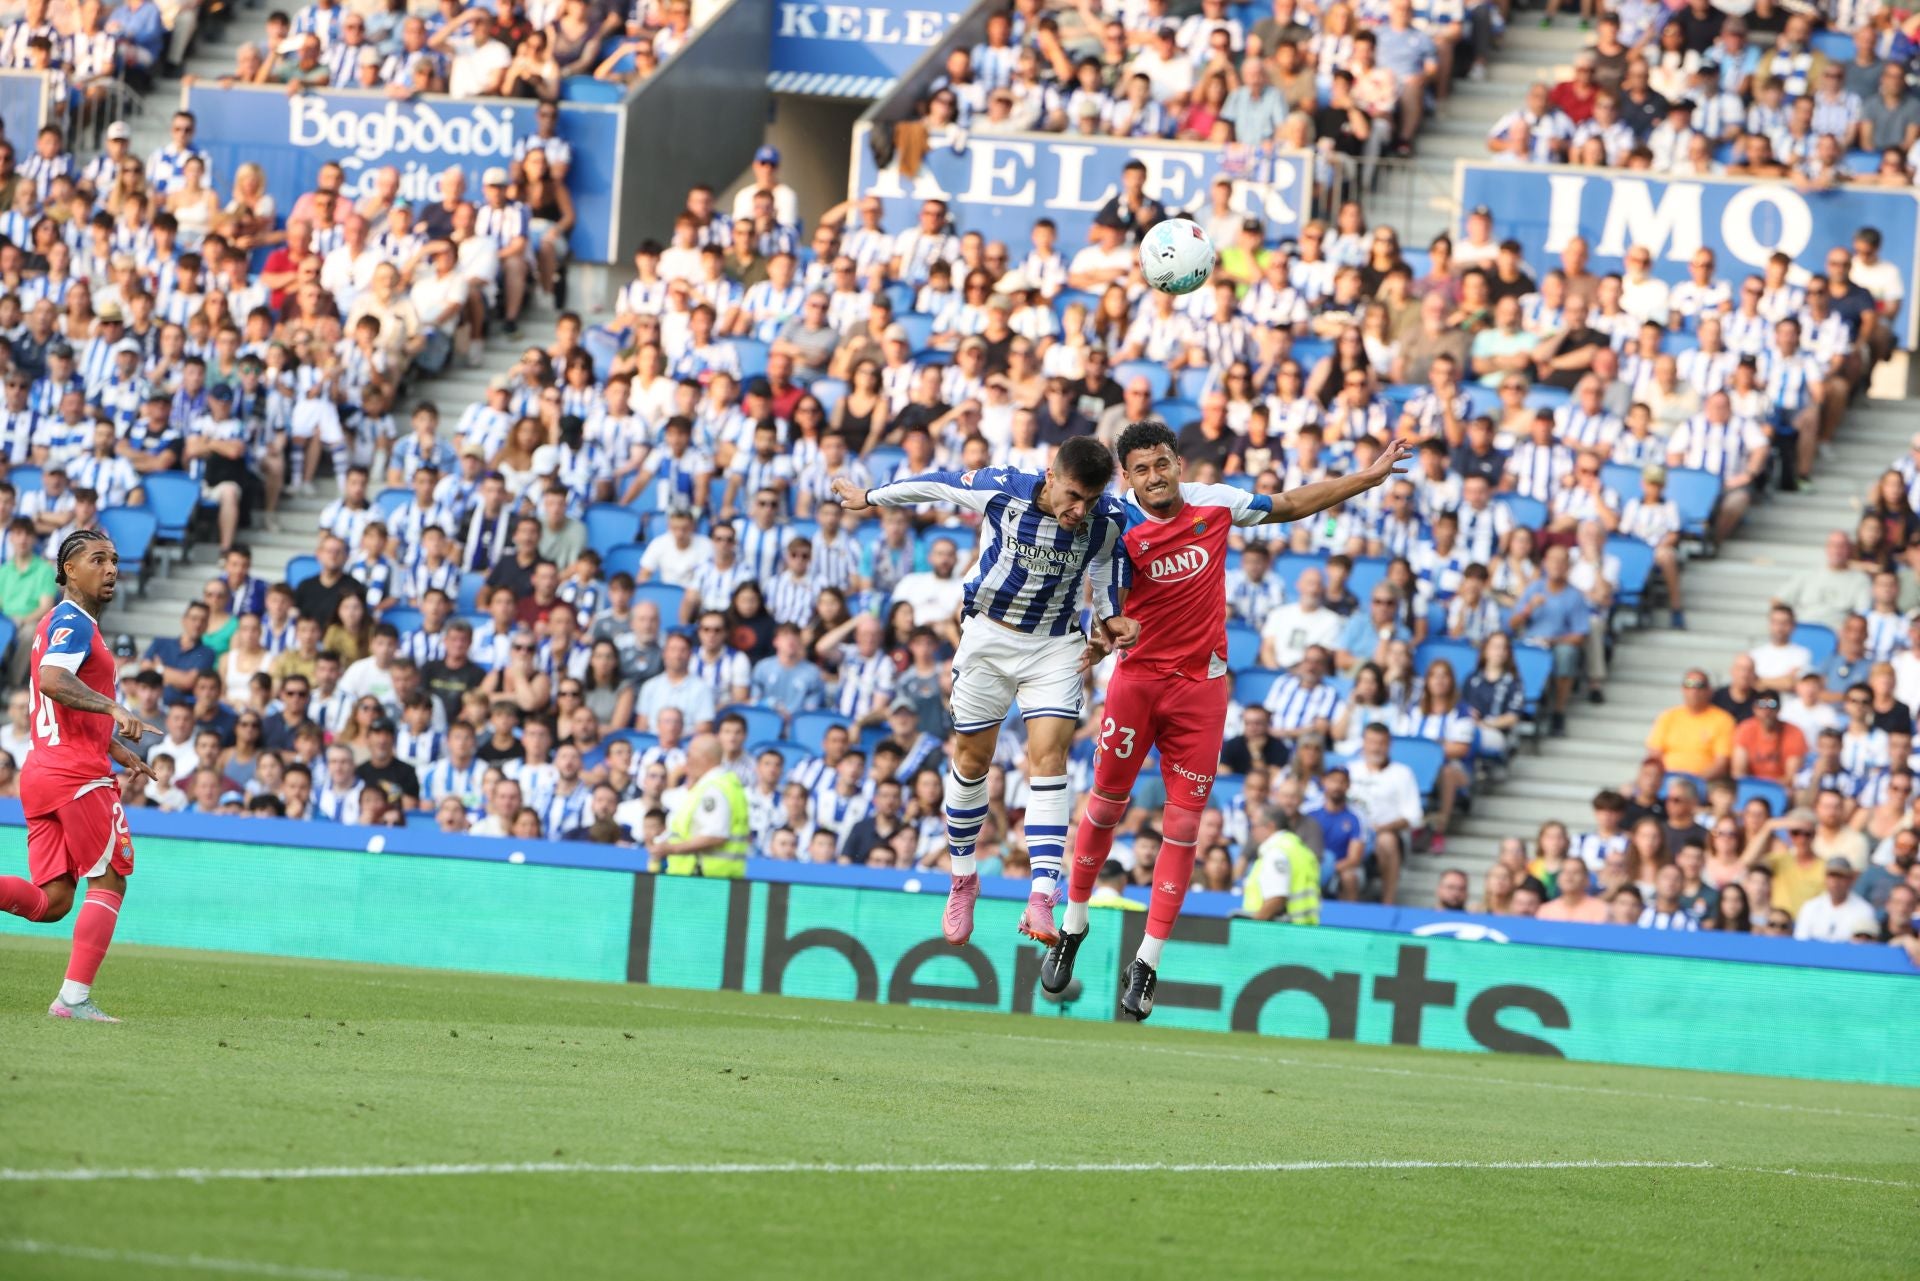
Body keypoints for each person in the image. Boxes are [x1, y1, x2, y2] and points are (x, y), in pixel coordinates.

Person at [1046, 420, 1412, 1019]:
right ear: (1126, 477)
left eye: (1162, 463)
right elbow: (1069, 562)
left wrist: (1366, 479)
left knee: (1184, 829)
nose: (1154, 476)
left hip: (1202, 693)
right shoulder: (1110, 522)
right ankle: (1074, 924)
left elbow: (1291, 504)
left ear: (1178, 465)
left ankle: (1148, 963)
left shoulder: (1215, 504)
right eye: (1140, 469)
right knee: (1106, 807)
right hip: (1136, 684)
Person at [833, 438, 1131, 948]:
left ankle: (1041, 895)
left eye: (1090, 499)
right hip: (988, 637)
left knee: (1049, 757)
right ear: (1052, 474)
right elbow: (938, 484)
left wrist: (1107, 615)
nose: (1079, 511)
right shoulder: (1003, 490)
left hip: (1055, 645)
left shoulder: (1107, 518)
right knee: (972, 760)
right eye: (1074, 496)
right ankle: (964, 876)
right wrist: (873, 497)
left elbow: (1107, 563)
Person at [0, 529, 158, 1021]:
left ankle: (73, 999)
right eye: (98, 559)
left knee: (53, 901)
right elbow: (52, 680)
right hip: (74, 774)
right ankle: (72, 1000)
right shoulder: (73, 621)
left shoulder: (59, 622)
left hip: (43, 770)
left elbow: (58, 701)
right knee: (110, 880)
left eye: (114, 559)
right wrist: (113, 707)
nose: (111, 568)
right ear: (69, 569)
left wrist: (113, 746)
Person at [649, 733, 751, 878]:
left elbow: (715, 835)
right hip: (711, 878)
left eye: (689, 755)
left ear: (703, 758)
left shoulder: (714, 789)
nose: (687, 761)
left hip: (705, 878)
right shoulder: (724, 785)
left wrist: (672, 848)